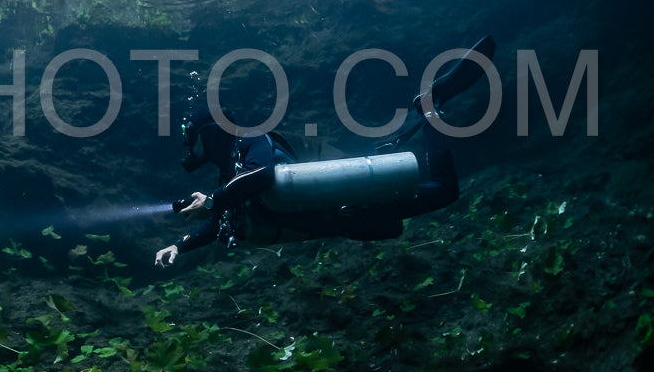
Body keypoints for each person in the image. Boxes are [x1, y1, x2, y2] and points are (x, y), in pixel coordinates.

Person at [155, 36, 496, 268]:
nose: (187, 144)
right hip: (345, 213)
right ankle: (420, 114)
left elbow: (263, 175)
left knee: (445, 190)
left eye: (189, 134)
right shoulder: (230, 175)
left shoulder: (250, 142)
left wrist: (213, 199)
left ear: (209, 132)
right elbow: (218, 223)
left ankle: (429, 107)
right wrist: (180, 245)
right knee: (413, 176)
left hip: (352, 203)